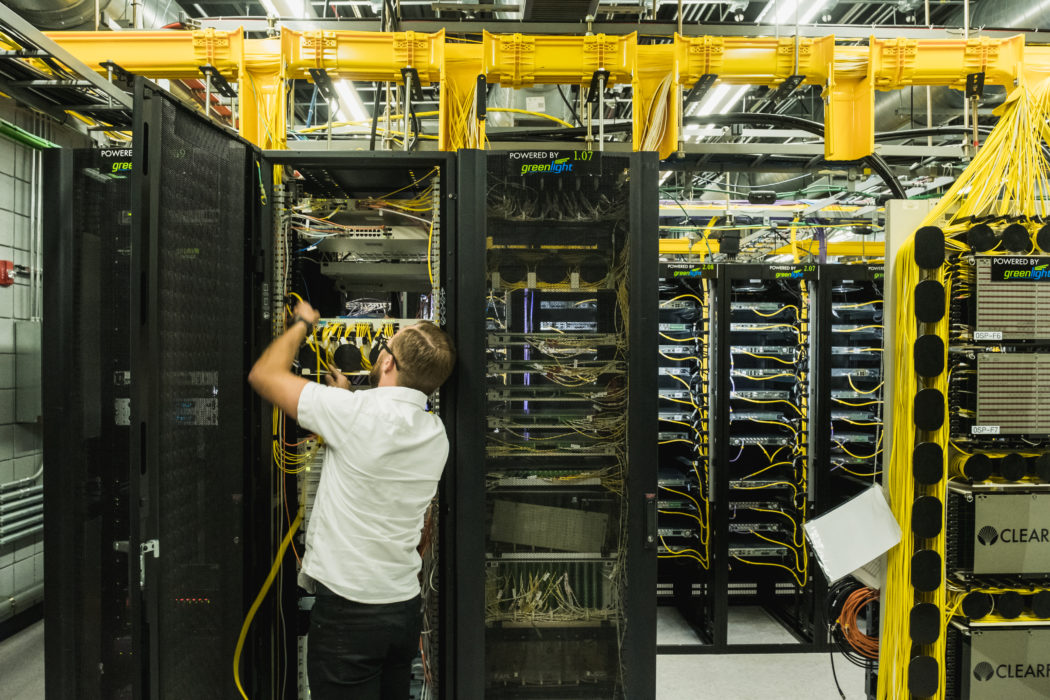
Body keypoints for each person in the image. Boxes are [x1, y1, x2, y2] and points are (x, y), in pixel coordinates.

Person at [247, 299, 456, 700]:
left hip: (349, 615)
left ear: (389, 363)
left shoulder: (350, 414)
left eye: (385, 348)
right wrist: (343, 398)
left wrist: (302, 324)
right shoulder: (437, 435)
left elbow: (264, 374)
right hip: (400, 610)